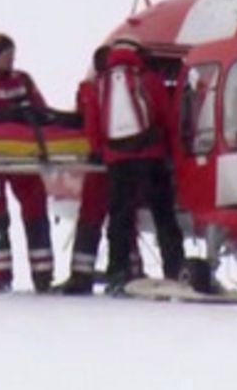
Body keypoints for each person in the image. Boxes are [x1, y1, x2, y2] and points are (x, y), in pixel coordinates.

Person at [89, 36, 184, 295]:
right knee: (164, 215)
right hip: (151, 155)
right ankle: (175, 270)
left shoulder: (100, 83)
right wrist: (171, 151)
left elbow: (94, 123)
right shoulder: (148, 78)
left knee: (119, 217)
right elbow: (167, 115)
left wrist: (102, 152)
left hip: (118, 160)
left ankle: (117, 273)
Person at [0, 33, 54, 293]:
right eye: (6, 54)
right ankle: (2, 276)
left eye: (12, 54)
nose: (11, 59)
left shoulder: (22, 80)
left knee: (36, 208)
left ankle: (42, 274)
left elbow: (40, 108)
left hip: (22, 156)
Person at [57, 47, 143, 296]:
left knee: (92, 215)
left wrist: (96, 148)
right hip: (126, 159)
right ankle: (130, 269)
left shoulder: (92, 89)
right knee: (125, 214)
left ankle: (81, 273)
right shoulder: (131, 83)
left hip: (100, 162)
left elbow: (89, 121)